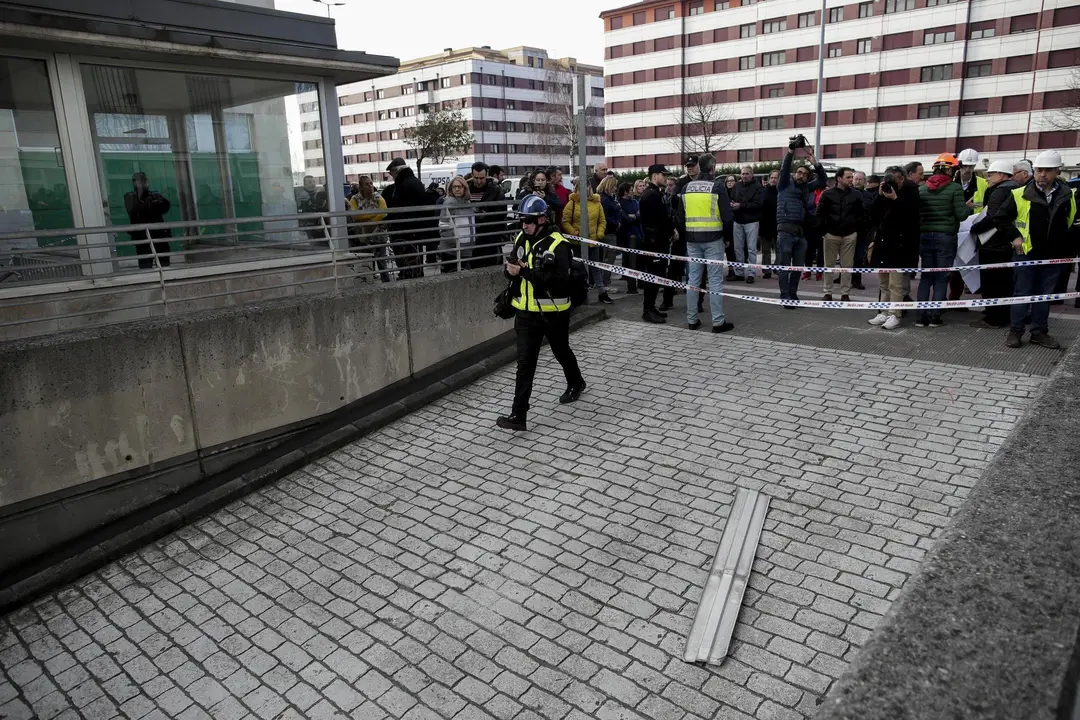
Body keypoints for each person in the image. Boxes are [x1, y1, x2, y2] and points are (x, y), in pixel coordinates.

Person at [498, 195, 586, 432]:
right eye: (521, 220)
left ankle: (576, 383)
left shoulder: (559, 245)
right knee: (525, 363)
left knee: (561, 351)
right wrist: (511, 272)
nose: (524, 225)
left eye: (528, 220)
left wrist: (525, 273)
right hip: (526, 313)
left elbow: (559, 283)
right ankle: (518, 415)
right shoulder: (520, 238)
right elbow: (512, 270)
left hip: (553, 313)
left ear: (542, 219)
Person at [995, 150, 1077, 349]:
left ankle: (1039, 332)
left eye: (1047, 171)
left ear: (1057, 171)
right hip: (1027, 253)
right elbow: (1000, 218)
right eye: (1039, 170)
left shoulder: (1067, 195)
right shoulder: (1019, 194)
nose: (1042, 175)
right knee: (1022, 294)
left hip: (1053, 256)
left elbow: (1070, 222)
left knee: (1044, 295)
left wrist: (1066, 250)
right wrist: (1015, 237)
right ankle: (1016, 331)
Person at [916, 153, 970, 327]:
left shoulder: (921, 188)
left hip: (925, 236)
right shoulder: (955, 188)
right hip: (946, 237)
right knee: (941, 277)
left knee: (926, 277)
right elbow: (961, 215)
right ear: (949, 170)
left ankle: (920, 316)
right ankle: (934, 317)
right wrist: (968, 208)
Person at [683, 153, 735, 333]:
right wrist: (728, 238)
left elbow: (680, 215)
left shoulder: (687, 187)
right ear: (713, 167)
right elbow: (728, 217)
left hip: (692, 240)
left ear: (699, 166)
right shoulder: (717, 186)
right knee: (714, 281)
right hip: (713, 240)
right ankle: (718, 322)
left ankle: (691, 320)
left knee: (693, 280)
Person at [866, 166, 920, 330]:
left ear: (902, 178)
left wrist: (895, 199)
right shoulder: (883, 193)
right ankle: (883, 311)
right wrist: (881, 197)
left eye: (894, 178)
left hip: (899, 245)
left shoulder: (910, 193)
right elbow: (872, 215)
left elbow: (908, 219)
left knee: (896, 284)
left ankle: (895, 314)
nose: (891, 181)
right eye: (888, 177)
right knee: (883, 283)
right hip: (882, 243)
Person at [967, 160, 1019, 328]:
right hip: (1007, 243)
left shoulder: (999, 192)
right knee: (1004, 283)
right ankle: (1003, 314)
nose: (988, 179)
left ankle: (993, 318)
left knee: (991, 283)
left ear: (1001, 175)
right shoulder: (1017, 189)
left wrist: (974, 228)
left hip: (993, 244)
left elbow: (993, 217)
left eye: (990, 175)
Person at [776, 145, 826, 306]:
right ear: (794, 174)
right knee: (784, 266)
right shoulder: (784, 184)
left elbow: (823, 180)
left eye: (805, 174)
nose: (801, 175)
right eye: (799, 172)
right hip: (785, 230)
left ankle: (793, 295)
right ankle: (785, 296)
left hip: (800, 232)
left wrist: (816, 164)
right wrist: (791, 152)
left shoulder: (806, 188)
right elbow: (784, 169)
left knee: (798, 267)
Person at [815, 167, 866, 301]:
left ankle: (845, 293)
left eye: (852, 177)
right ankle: (828, 292)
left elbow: (862, 214)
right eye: (848, 177)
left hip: (849, 235)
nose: (851, 180)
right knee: (829, 264)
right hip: (831, 234)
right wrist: (823, 232)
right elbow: (820, 213)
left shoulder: (856, 194)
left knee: (847, 266)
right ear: (839, 178)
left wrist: (856, 230)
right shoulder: (827, 194)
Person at [561, 178, 607, 301]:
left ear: (589, 187)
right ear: (576, 189)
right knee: (579, 270)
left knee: (596, 268)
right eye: (581, 187)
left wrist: (599, 234)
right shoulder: (572, 203)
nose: (585, 189)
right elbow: (565, 222)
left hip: (593, 242)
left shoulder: (597, 202)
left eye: (586, 186)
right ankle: (580, 294)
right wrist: (575, 233)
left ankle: (602, 293)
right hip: (577, 243)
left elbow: (602, 221)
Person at [662, 156, 699, 312]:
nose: (690, 168)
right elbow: (674, 202)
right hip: (681, 229)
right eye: (688, 166)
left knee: (697, 270)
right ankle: (667, 300)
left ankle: (697, 302)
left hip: (698, 230)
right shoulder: (681, 182)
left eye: (692, 165)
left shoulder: (704, 182)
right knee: (674, 267)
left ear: (698, 166)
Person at [639, 165, 674, 323]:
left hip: (658, 241)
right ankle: (648, 310)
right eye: (663, 175)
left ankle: (651, 307)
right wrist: (671, 231)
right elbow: (659, 220)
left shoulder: (655, 193)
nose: (666, 178)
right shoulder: (651, 195)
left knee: (657, 276)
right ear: (654, 176)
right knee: (652, 277)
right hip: (654, 242)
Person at [385, 158, 429, 279]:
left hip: (404, 231)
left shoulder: (402, 186)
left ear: (396, 171)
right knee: (416, 262)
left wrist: (388, 221)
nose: (391, 176)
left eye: (391, 173)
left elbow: (399, 208)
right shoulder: (414, 182)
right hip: (415, 231)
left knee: (407, 263)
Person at [348, 176, 394, 282]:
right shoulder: (355, 199)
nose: (370, 186)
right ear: (361, 187)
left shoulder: (378, 197)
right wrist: (373, 215)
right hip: (363, 237)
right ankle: (368, 284)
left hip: (379, 236)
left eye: (371, 183)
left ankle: (387, 284)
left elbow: (383, 213)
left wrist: (368, 220)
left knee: (382, 263)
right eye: (367, 184)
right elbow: (355, 216)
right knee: (366, 264)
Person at [124, 172, 173, 269]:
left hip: (159, 234)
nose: (143, 183)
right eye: (140, 181)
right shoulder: (130, 196)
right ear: (134, 183)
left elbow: (165, 209)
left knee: (164, 262)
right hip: (142, 236)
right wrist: (149, 201)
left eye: (144, 181)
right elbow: (134, 209)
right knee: (145, 264)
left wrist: (159, 201)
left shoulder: (154, 195)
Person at [467, 162, 505, 267]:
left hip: (491, 238)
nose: (479, 181)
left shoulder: (496, 191)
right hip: (472, 238)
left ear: (487, 175)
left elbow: (501, 214)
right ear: (472, 175)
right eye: (476, 178)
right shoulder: (466, 190)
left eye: (482, 178)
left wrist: (485, 216)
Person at [732, 165, 764, 283]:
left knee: (751, 249)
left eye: (747, 173)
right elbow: (732, 197)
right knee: (738, 248)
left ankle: (751, 273)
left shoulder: (758, 187)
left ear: (752, 174)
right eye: (742, 174)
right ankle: (739, 272)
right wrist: (733, 204)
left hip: (752, 221)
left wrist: (741, 205)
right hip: (738, 220)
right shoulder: (737, 185)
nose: (744, 176)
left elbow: (758, 204)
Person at [438, 176, 476, 272]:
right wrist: (454, 243)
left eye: (460, 186)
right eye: (454, 187)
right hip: (452, 250)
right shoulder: (449, 203)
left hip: (465, 249)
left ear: (465, 188)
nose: (457, 189)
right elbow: (443, 226)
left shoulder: (467, 203)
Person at [596, 176, 624, 305]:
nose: (615, 189)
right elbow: (605, 217)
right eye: (613, 186)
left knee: (607, 260)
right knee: (608, 260)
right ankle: (605, 284)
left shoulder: (609, 198)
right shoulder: (605, 200)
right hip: (608, 233)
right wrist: (616, 223)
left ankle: (604, 283)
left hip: (611, 231)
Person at [852, 174, 879, 291]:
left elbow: (873, 211)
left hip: (863, 231)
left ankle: (857, 279)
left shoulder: (869, 195)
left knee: (859, 257)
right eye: (856, 179)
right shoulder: (848, 193)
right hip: (848, 230)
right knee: (845, 258)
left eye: (860, 179)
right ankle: (844, 278)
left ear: (865, 181)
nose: (858, 181)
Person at [616, 182, 642, 294]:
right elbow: (626, 218)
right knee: (629, 258)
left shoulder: (635, 202)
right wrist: (634, 216)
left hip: (638, 233)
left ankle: (641, 281)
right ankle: (630, 283)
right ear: (626, 191)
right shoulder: (621, 203)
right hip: (627, 234)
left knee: (640, 259)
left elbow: (639, 215)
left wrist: (634, 216)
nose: (633, 191)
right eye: (631, 190)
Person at [760, 170, 779, 280]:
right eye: (771, 177)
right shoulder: (763, 191)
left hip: (778, 224)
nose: (773, 179)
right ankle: (766, 270)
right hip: (765, 224)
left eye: (775, 178)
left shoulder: (781, 191)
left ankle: (777, 267)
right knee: (766, 250)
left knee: (779, 249)